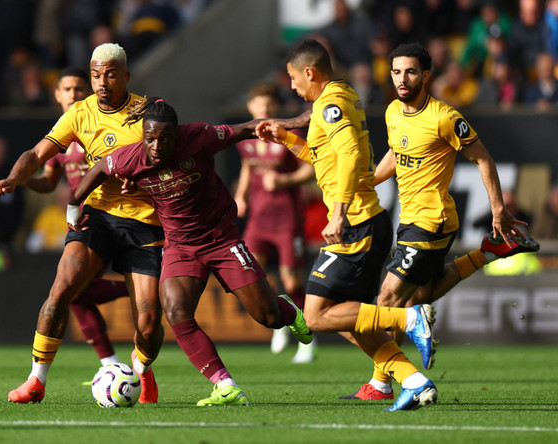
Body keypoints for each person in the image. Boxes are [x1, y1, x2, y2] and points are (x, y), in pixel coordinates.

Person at [68, 97, 432, 409]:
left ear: (177, 134)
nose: (157, 147)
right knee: (177, 311)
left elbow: (246, 128)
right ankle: (225, 385)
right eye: (150, 139)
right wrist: (74, 206)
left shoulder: (199, 137)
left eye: (164, 139)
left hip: (222, 238)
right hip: (180, 244)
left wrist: (294, 122)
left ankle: (290, 312)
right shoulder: (133, 157)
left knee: (267, 316)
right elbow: (100, 168)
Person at [346, 42, 539, 401]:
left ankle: (382, 382)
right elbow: (396, 151)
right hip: (413, 221)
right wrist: (368, 180)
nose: (403, 79)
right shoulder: (392, 112)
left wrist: (498, 209)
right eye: (397, 72)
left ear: (427, 76)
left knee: (387, 298)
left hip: (431, 222)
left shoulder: (445, 117)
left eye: (411, 72)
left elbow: (484, 159)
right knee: (420, 294)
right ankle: (486, 254)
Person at [256, 39, 437, 411]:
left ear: (310, 72)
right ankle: (412, 381)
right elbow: (323, 159)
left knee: (315, 315)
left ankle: (409, 317)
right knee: (347, 319)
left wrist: (338, 213)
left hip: (356, 223)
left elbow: (353, 155)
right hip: (366, 221)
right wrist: (287, 138)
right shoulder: (341, 95)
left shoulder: (331, 104)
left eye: (293, 78)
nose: (292, 87)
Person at [0, 43, 164, 405]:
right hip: (96, 214)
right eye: (97, 75)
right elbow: (38, 153)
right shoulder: (79, 113)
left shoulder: (148, 110)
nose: (103, 82)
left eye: (111, 74)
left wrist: (145, 176)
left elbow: (170, 159)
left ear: (126, 76)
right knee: (61, 289)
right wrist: (14, 177)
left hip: (144, 222)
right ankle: (36, 380)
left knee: (148, 324)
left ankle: (143, 370)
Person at [23, 65, 132, 373]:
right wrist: (24, 181)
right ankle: (110, 363)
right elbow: (48, 182)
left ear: (90, 93)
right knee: (76, 295)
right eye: (67, 89)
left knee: (75, 293)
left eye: (79, 89)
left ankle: (111, 358)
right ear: (57, 95)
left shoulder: (98, 128)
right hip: (84, 224)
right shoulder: (58, 140)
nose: (73, 94)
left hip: (115, 216)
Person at [233, 82, 316, 363]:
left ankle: (306, 341)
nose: (264, 109)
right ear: (250, 106)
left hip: (287, 219)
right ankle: (280, 321)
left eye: (269, 104)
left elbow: (311, 167)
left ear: (275, 108)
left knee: (292, 280)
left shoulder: (288, 134)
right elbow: (248, 166)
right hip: (258, 219)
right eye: (259, 104)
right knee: (253, 276)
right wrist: (240, 196)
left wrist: (284, 180)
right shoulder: (246, 138)